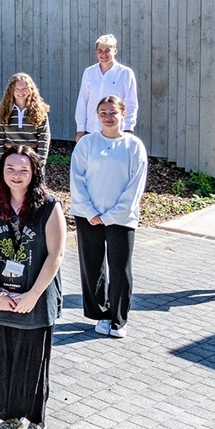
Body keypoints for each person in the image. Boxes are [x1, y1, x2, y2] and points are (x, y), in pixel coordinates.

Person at [0, 146, 66, 429]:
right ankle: (13, 415)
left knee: (33, 362)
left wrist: (33, 295)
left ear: (34, 173)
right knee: (2, 359)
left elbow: (56, 255)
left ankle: (37, 421)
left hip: (36, 297)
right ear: (2, 171)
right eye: (11, 169)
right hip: (0, 299)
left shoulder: (49, 206)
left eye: (23, 170)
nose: (17, 175)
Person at [69, 95, 148, 338]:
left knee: (120, 268)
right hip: (88, 215)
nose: (108, 116)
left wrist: (111, 215)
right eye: (103, 112)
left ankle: (119, 318)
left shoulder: (134, 146)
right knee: (92, 267)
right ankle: (101, 314)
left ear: (123, 114)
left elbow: (135, 187)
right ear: (97, 115)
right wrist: (91, 212)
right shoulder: (87, 144)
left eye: (113, 112)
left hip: (121, 218)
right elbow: (77, 179)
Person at [75, 34, 139, 139]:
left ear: (115, 51)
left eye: (107, 50)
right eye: (100, 50)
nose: (103, 54)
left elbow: (131, 103)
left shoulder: (125, 73)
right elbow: (82, 101)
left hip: (115, 131)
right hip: (91, 130)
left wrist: (128, 128)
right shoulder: (89, 72)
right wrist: (80, 129)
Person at [0, 72, 52, 164]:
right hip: (9, 156)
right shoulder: (3, 111)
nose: (20, 92)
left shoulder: (40, 111)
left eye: (24, 89)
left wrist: (40, 163)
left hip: (31, 157)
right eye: (17, 89)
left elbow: (44, 139)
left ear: (31, 90)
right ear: (11, 91)